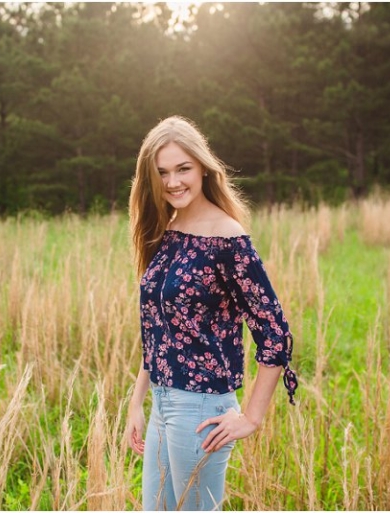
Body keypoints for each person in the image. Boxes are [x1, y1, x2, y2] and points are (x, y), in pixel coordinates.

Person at [125, 115, 297, 511]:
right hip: (162, 402)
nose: (173, 182)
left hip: (201, 409)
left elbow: (274, 332)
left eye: (183, 168)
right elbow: (158, 333)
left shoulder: (228, 239)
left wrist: (251, 418)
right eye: (162, 172)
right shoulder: (167, 229)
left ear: (203, 166)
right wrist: (137, 402)